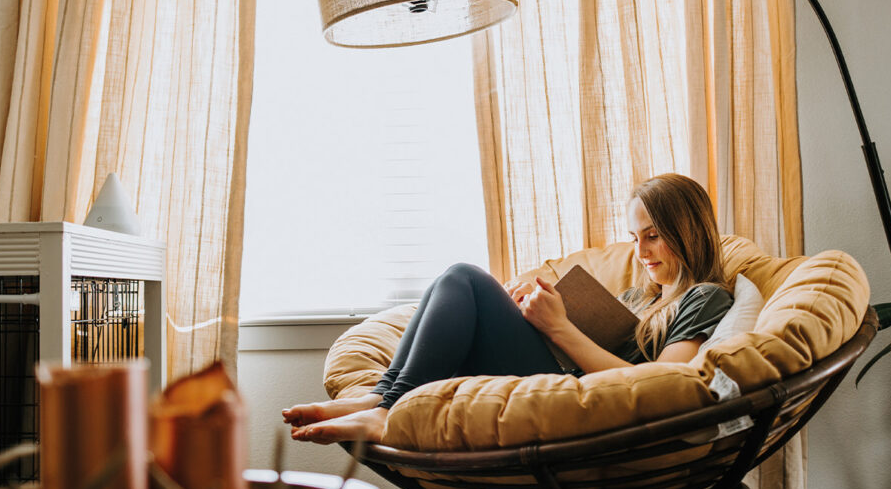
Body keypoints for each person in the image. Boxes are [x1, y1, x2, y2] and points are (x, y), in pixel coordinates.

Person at [283, 173, 734, 444]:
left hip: (576, 396)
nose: (641, 251)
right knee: (450, 283)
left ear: (688, 229)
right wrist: (534, 311)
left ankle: (389, 407)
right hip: (556, 368)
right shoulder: (645, 296)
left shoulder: (705, 296)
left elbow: (664, 385)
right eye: (635, 238)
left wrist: (558, 327)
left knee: (466, 278)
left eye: (653, 236)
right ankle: (382, 395)